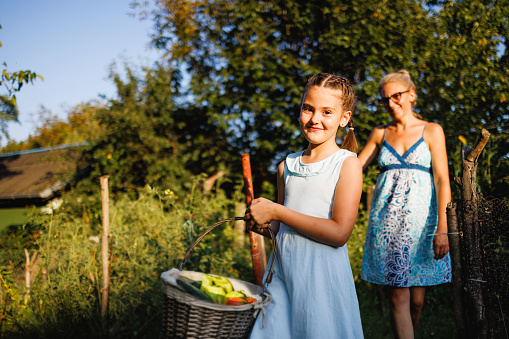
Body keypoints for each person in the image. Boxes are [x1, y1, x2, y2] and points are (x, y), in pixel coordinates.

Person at [245, 73, 364, 338]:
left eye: (327, 112)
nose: (315, 119)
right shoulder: (285, 166)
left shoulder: (347, 164)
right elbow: (280, 228)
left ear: (344, 118)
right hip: (283, 273)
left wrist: (277, 210)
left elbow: (339, 233)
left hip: (321, 277)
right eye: (308, 109)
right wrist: (260, 222)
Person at [359, 70, 451, 338]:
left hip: (423, 226)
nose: (390, 103)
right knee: (398, 297)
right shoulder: (380, 133)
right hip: (386, 226)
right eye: (385, 99)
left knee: (417, 300)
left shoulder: (432, 130)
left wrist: (442, 228)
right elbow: (354, 169)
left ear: (411, 95)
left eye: (396, 96)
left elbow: (443, 180)